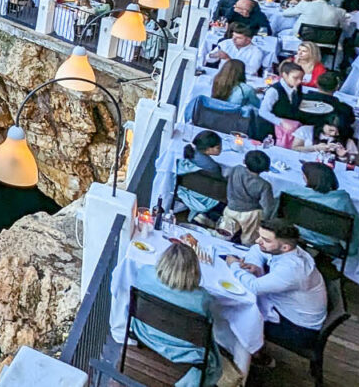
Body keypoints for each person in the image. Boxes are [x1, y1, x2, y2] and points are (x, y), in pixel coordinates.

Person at [227, 221, 329, 359]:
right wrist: (255, 266)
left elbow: (254, 287)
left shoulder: (292, 269)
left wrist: (234, 265)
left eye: (266, 240)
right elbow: (257, 250)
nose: (258, 241)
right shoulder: (291, 250)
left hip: (298, 328)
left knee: (235, 314)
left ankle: (247, 357)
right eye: (260, 236)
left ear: (285, 247)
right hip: (288, 308)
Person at [131, 243, 222, 387]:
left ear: (163, 261)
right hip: (184, 351)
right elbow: (206, 334)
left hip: (145, 333)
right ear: (194, 271)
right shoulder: (202, 299)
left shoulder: (144, 273)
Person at [221, 150, 279, 243]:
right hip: (251, 214)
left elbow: (225, 174)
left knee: (225, 233)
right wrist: (265, 220)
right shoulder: (264, 185)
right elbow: (267, 206)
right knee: (249, 238)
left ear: (244, 162)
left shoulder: (236, 169)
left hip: (231, 208)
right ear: (266, 169)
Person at [175, 130, 227, 225]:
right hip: (207, 195)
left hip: (188, 189)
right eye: (218, 148)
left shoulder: (190, 153)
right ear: (207, 149)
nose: (221, 149)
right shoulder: (211, 166)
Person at [188, 60, 259, 122]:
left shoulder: (217, 81)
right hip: (234, 120)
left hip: (213, 116)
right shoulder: (247, 89)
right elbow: (258, 105)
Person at [260, 61, 312, 147]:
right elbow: (263, 112)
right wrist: (280, 122)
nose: (299, 81)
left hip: (291, 127)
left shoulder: (297, 87)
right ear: (284, 75)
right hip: (271, 128)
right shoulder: (274, 91)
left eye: (301, 78)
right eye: (295, 78)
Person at [290, 114, 359, 162]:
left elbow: (351, 164)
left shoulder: (347, 141)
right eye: (331, 130)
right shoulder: (306, 130)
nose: (334, 134)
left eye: (338, 131)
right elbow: (295, 149)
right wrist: (315, 148)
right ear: (323, 124)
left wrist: (342, 157)